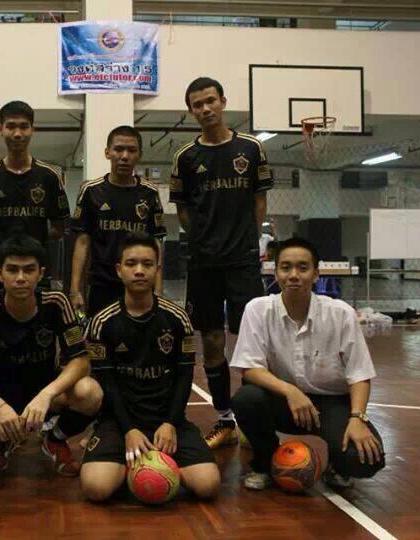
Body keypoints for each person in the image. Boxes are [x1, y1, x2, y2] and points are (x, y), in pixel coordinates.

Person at [230, 237, 385, 490]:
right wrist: (290, 391)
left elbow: (359, 374)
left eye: (302, 268)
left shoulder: (341, 313)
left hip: (331, 403)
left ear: (316, 274)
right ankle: (265, 461)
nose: (294, 275)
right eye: (286, 267)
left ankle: (337, 464)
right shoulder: (258, 309)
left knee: (365, 460)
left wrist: (357, 418)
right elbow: (249, 368)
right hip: (283, 401)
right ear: (275, 272)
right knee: (246, 399)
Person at [170, 77, 273, 449]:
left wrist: (247, 241)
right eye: (197, 105)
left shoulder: (251, 148)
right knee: (212, 342)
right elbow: (183, 209)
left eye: (210, 101)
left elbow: (259, 201)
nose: (205, 109)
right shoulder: (185, 157)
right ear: (191, 111)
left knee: (251, 342)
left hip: (243, 262)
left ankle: (254, 419)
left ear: (223, 101)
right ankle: (226, 418)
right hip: (204, 264)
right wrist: (204, 239)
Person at [80, 231, 220, 502]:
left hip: (167, 418)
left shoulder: (177, 318)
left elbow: (184, 377)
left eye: (147, 264)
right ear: (118, 270)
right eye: (131, 264)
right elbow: (107, 383)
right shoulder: (102, 322)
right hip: (119, 421)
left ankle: (150, 460)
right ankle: (131, 461)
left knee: (209, 486)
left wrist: (170, 423)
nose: (139, 271)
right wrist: (128, 429)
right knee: (96, 488)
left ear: (157, 269)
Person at [0, 235, 103, 476]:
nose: (21, 278)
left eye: (29, 270)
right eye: (12, 270)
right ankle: (3, 438)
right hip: (3, 389)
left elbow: (81, 361)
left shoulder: (56, 303)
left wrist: (47, 394)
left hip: (47, 388)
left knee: (90, 392)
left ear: (41, 274)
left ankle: (55, 438)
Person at [0, 100, 70, 297]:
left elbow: (59, 227)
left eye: (24, 126)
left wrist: (32, 240)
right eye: (10, 126)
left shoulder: (49, 176)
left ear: (32, 130)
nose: (17, 133)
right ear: (0, 130)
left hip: (35, 270)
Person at [70, 125, 166, 318]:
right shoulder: (91, 191)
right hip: (101, 284)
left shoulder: (150, 193)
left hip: (140, 283)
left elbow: (156, 242)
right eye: (118, 149)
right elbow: (82, 242)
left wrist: (158, 288)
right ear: (107, 153)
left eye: (131, 150)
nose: (124, 156)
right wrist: (74, 290)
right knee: (100, 334)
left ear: (139, 155)